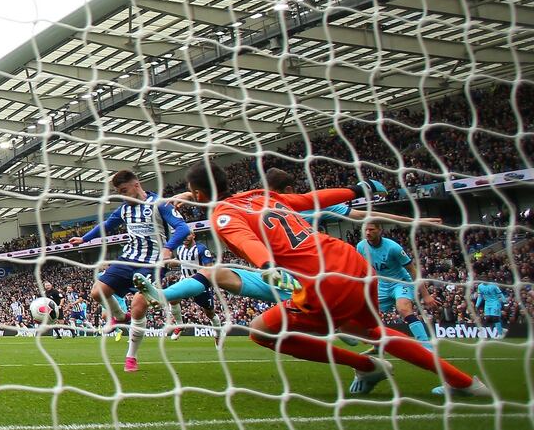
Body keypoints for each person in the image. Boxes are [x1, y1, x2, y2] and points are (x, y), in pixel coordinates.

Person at [170, 161, 488, 396]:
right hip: (350, 261)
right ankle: (466, 383)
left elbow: (245, 240)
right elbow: (312, 199)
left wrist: (268, 266)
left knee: (261, 333)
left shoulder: (223, 214)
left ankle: (367, 366)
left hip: (319, 280)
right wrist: (356, 189)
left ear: (198, 193)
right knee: (373, 331)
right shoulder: (261, 196)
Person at [69, 170, 190, 372]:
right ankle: (119, 315)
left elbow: (183, 229)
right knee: (97, 292)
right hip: (128, 258)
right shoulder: (124, 209)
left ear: (136, 185)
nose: (123, 195)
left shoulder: (160, 204)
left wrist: (168, 248)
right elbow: (107, 225)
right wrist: (85, 239)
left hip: (152, 263)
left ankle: (131, 356)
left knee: (138, 304)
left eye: (124, 190)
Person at [357, 222, 440, 352]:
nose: (367, 233)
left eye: (371, 229)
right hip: (381, 284)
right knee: (370, 313)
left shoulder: (393, 247)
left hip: (400, 282)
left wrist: (426, 295)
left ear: (380, 230)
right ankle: (378, 345)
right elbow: (361, 268)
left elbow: (412, 270)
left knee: (403, 309)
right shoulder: (361, 246)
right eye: (365, 230)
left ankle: (427, 348)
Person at [265, 168, 443, 228]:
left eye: (273, 193)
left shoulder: (314, 205)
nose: (270, 198)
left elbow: (363, 215)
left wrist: (414, 221)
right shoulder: (265, 209)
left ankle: (365, 187)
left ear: (288, 190)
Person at [165, 231, 220, 343]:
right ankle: (180, 325)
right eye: (183, 235)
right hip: (184, 280)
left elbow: (209, 267)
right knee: (173, 300)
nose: (185, 237)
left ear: (193, 236)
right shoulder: (180, 249)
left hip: (199, 283)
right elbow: (179, 262)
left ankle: (218, 332)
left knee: (209, 312)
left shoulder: (201, 249)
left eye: (188, 235)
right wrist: (168, 261)